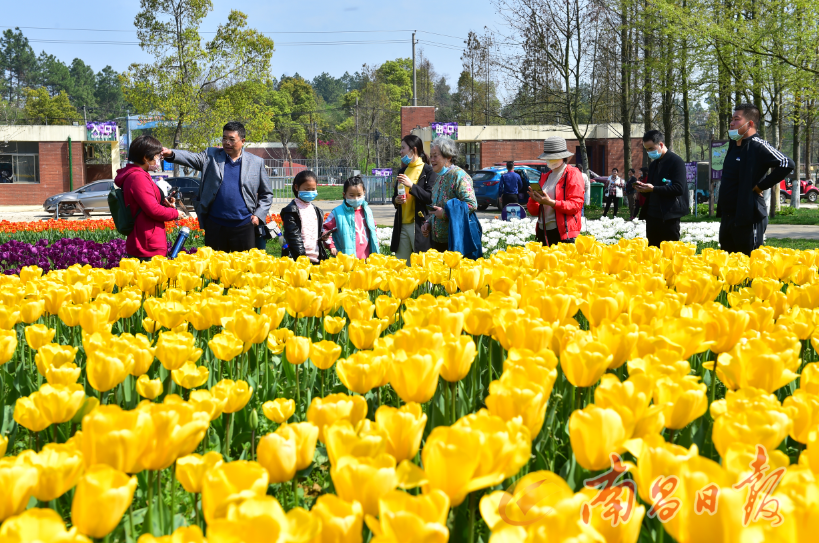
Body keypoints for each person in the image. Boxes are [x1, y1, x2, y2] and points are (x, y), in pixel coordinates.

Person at [161, 121, 273, 252]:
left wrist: (259, 215)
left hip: (244, 225)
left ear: (242, 141)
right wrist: (171, 154)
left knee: (243, 269)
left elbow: (267, 194)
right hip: (216, 225)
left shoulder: (256, 162)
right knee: (215, 269)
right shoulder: (211, 156)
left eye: (232, 139)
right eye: (224, 138)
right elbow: (191, 157)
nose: (227, 143)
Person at [717, 103, 794, 255]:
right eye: (731, 119)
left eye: (737, 119)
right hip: (728, 215)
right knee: (726, 264)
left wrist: (760, 186)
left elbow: (787, 163)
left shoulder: (758, 145)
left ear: (750, 123)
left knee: (748, 262)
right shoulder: (733, 145)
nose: (731, 123)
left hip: (748, 216)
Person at [115, 135, 180, 260]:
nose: (160, 159)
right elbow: (153, 210)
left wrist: (165, 204)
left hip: (146, 241)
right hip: (146, 245)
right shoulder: (137, 177)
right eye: (157, 156)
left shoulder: (141, 175)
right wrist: (175, 213)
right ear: (145, 158)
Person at [421, 137, 478, 252]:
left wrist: (446, 213)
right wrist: (429, 223)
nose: (432, 160)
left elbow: (471, 204)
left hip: (456, 242)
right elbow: (437, 208)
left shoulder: (459, 176)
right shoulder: (439, 178)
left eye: (435, 156)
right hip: (438, 242)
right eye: (431, 156)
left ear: (448, 157)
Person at [633, 130, 690, 247]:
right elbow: (652, 190)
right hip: (652, 215)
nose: (649, 152)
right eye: (647, 149)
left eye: (651, 148)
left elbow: (679, 188)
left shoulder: (676, 162)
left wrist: (654, 189)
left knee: (669, 252)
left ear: (661, 145)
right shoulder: (654, 164)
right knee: (653, 253)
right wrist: (642, 189)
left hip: (669, 215)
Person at [527, 136, 584, 245]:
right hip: (542, 231)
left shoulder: (573, 174)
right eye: (548, 157)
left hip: (563, 233)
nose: (549, 160)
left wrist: (551, 203)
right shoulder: (545, 176)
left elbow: (576, 205)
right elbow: (534, 211)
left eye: (553, 157)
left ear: (563, 157)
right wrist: (534, 200)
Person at [391, 135, 436, 264]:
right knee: (402, 265)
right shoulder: (402, 171)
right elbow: (394, 197)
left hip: (419, 225)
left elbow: (429, 197)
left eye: (403, 148)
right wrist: (396, 201)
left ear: (413, 150)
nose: (401, 151)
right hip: (401, 225)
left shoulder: (428, 171)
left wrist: (411, 186)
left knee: (420, 266)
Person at [322, 176, 379, 258]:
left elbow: (374, 229)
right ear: (344, 195)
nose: (356, 198)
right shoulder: (337, 213)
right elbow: (325, 230)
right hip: (346, 258)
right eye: (351, 195)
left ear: (364, 193)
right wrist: (331, 245)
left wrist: (376, 243)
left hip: (367, 258)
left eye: (359, 195)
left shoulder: (367, 211)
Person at [280, 170, 328, 263]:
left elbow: (315, 233)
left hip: (316, 257)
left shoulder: (317, 210)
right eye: (307, 190)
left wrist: (322, 235)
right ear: (296, 187)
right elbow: (293, 237)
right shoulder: (291, 210)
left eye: (313, 189)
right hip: (298, 258)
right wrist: (302, 258)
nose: (310, 192)